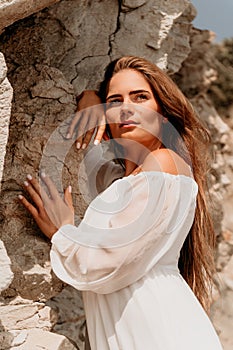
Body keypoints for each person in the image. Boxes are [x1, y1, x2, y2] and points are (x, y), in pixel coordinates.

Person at [19, 56, 223, 350]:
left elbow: (112, 262)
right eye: (116, 101)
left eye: (141, 97)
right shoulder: (126, 179)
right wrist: (89, 98)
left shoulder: (164, 165)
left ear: (163, 113)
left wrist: (62, 233)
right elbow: (95, 164)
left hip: (158, 334)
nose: (126, 107)